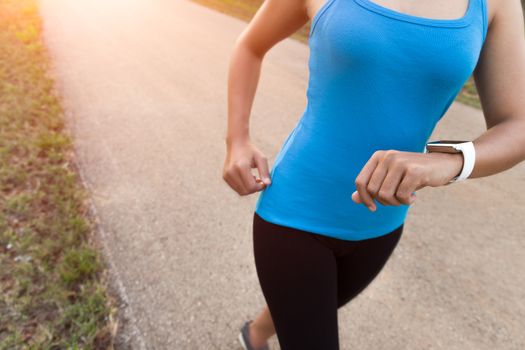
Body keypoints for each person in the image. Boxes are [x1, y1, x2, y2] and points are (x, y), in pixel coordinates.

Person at [222, 0, 525, 349]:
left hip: (382, 223)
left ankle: (256, 332)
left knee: (312, 304)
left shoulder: (496, 5)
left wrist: (449, 162)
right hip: (296, 211)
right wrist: (237, 141)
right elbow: (250, 46)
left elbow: (516, 125)